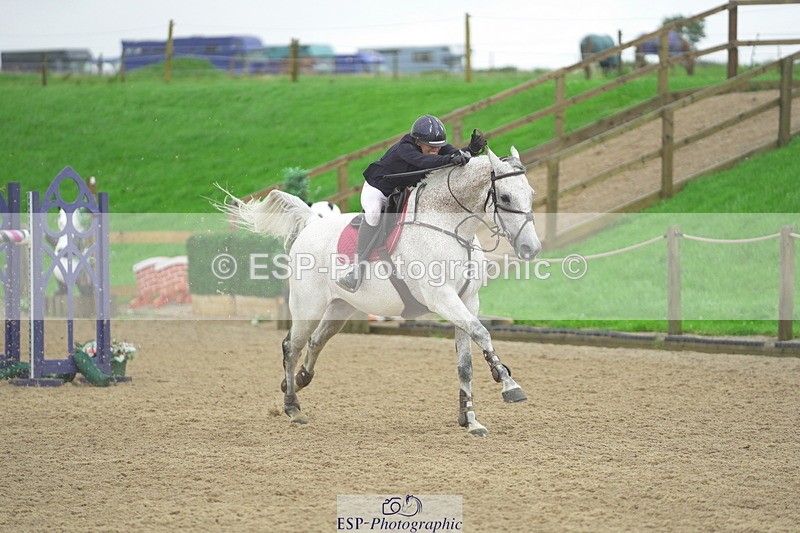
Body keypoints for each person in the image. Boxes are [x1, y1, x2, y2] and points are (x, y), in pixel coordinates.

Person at [337, 114, 487, 292]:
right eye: (430, 147)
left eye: (438, 147)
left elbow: (454, 155)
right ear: (417, 141)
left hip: (404, 190)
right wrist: (449, 159)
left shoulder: (435, 145)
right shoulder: (405, 148)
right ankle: (356, 269)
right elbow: (423, 162)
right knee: (374, 213)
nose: (435, 150)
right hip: (379, 189)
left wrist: (470, 151)